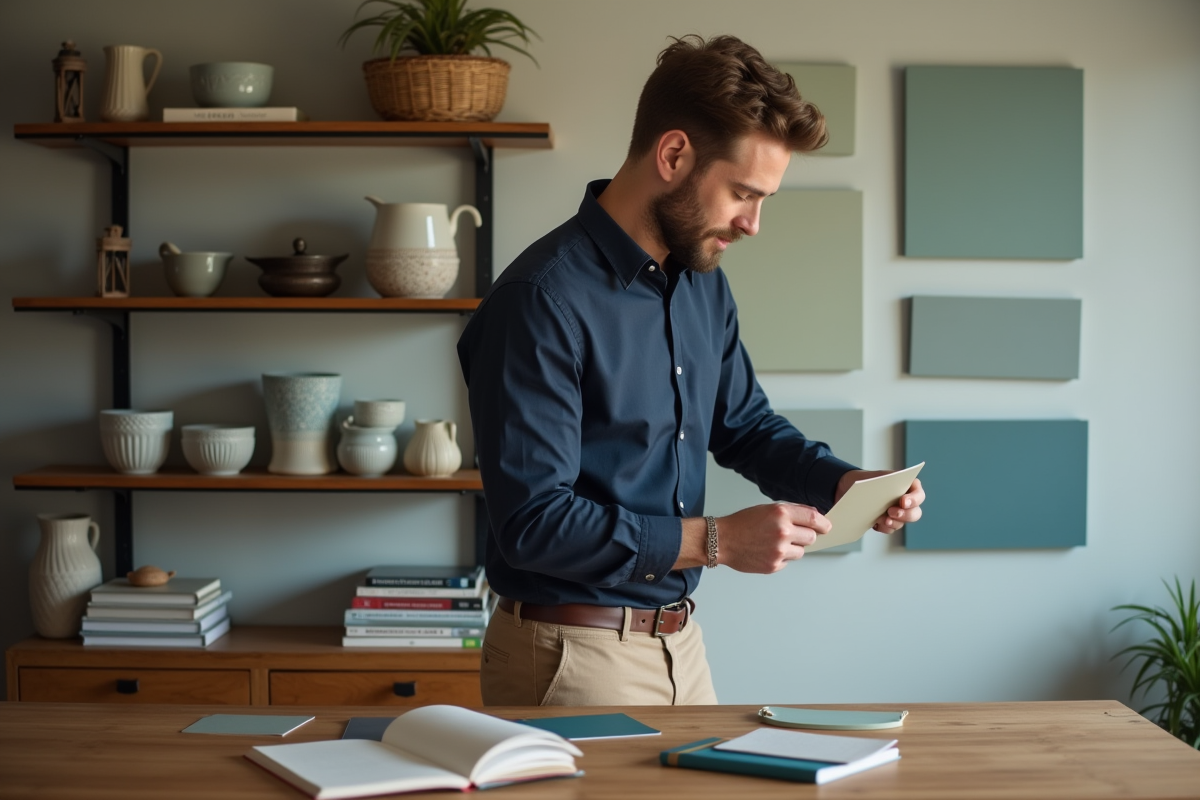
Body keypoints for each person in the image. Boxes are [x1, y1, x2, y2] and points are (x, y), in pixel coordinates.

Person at [457, 34, 925, 706]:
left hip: (682, 648)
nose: (755, 224)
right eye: (743, 192)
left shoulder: (702, 282)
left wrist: (846, 482)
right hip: (571, 659)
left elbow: (745, 427)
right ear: (674, 155)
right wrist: (720, 540)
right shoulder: (539, 301)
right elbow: (535, 524)